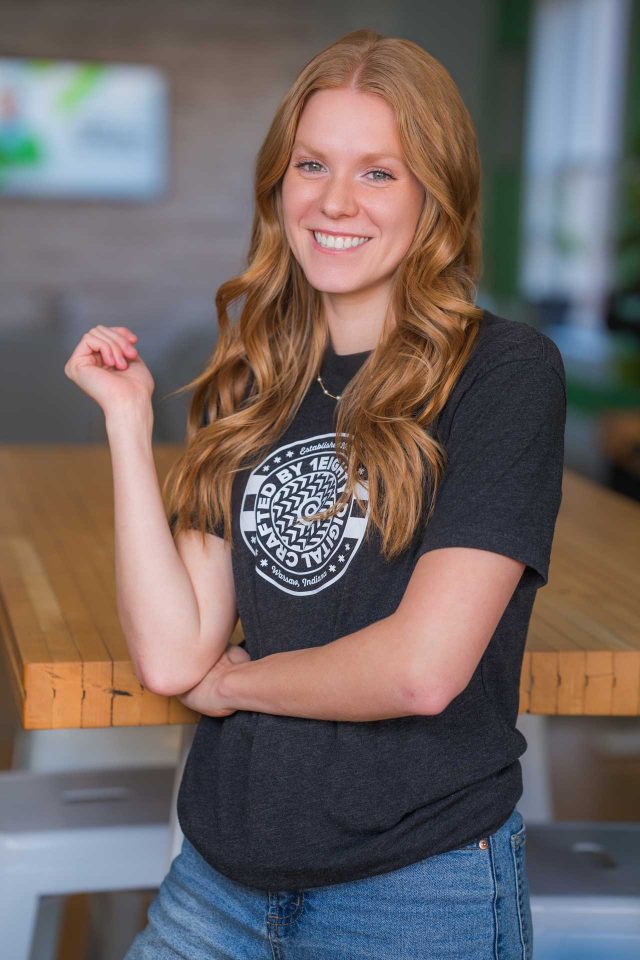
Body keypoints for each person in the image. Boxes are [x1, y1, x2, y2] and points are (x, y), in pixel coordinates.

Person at [64, 27, 565, 960]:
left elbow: (422, 670)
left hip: (415, 886)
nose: (336, 201)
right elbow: (175, 656)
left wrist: (241, 684)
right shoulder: (249, 379)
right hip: (218, 878)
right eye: (312, 164)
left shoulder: (503, 373)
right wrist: (129, 427)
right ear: (279, 184)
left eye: (380, 172)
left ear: (435, 195)